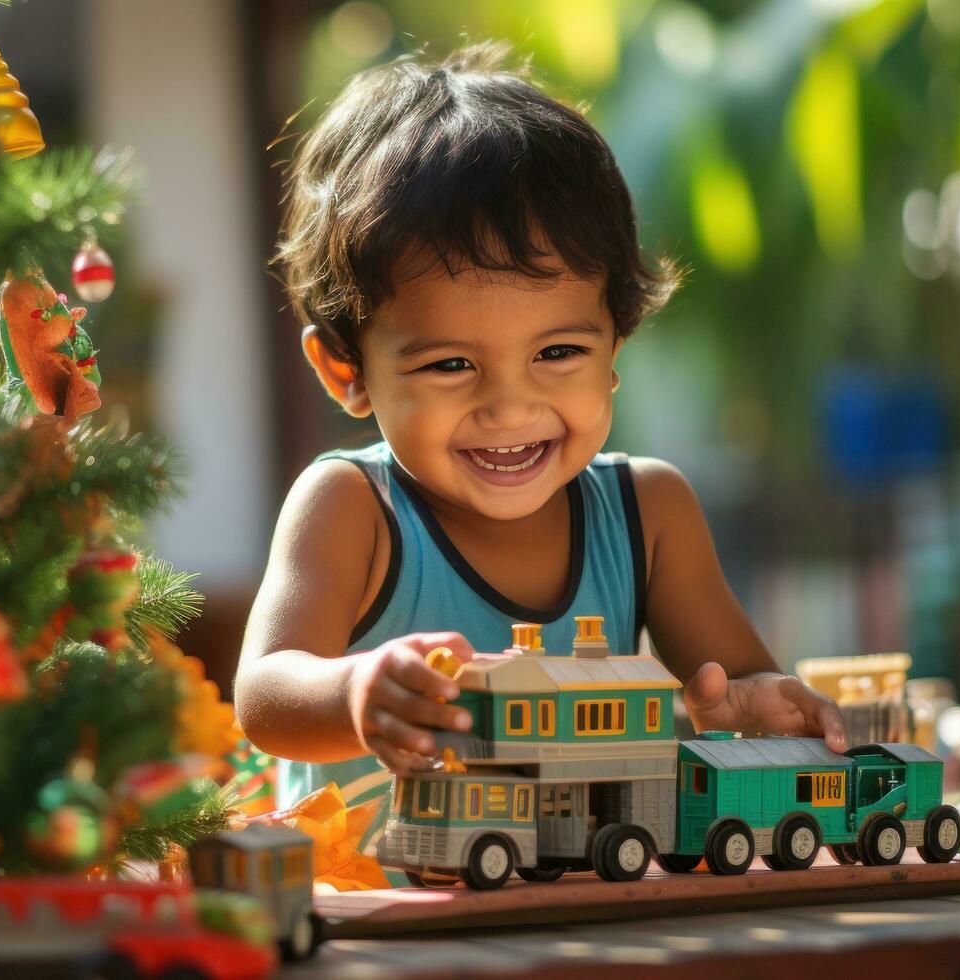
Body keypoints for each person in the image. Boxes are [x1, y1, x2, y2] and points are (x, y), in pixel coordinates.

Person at [235, 42, 847, 881]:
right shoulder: (351, 506)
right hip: (374, 927)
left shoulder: (648, 513)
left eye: (557, 351)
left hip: (579, 911)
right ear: (347, 370)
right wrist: (353, 692)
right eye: (450, 365)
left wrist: (758, 704)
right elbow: (264, 695)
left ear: (614, 344)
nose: (509, 407)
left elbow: (733, 682)